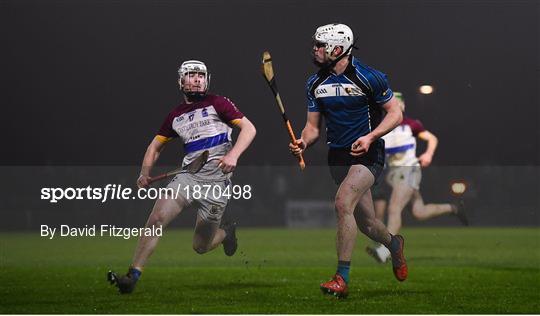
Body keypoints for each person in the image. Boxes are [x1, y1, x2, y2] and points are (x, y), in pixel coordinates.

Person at [109, 60, 256, 294]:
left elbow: (249, 128)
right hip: (188, 177)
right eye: (191, 75)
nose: (197, 79)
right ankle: (132, 276)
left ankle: (227, 232)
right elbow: (154, 148)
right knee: (156, 218)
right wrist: (144, 173)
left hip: (217, 183)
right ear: (181, 81)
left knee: (201, 246)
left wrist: (233, 155)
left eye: (201, 75)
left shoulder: (218, 103)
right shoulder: (175, 116)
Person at [289, 23, 406, 299]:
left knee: (343, 203)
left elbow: (395, 114)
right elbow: (313, 128)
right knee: (367, 224)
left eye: (321, 45)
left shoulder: (370, 77)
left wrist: (370, 136)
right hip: (337, 156)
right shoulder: (315, 83)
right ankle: (394, 245)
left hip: (368, 153)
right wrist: (303, 142)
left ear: (338, 49)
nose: (315, 50)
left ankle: (341, 277)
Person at [366, 92, 468, 263]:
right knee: (419, 212)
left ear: (403, 106)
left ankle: (386, 251)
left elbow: (432, 138)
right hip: (395, 175)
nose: (394, 107)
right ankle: (454, 208)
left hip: (409, 170)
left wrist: (428, 153)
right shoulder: (382, 128)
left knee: (394, 208)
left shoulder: (411, 125)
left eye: (397, 104)